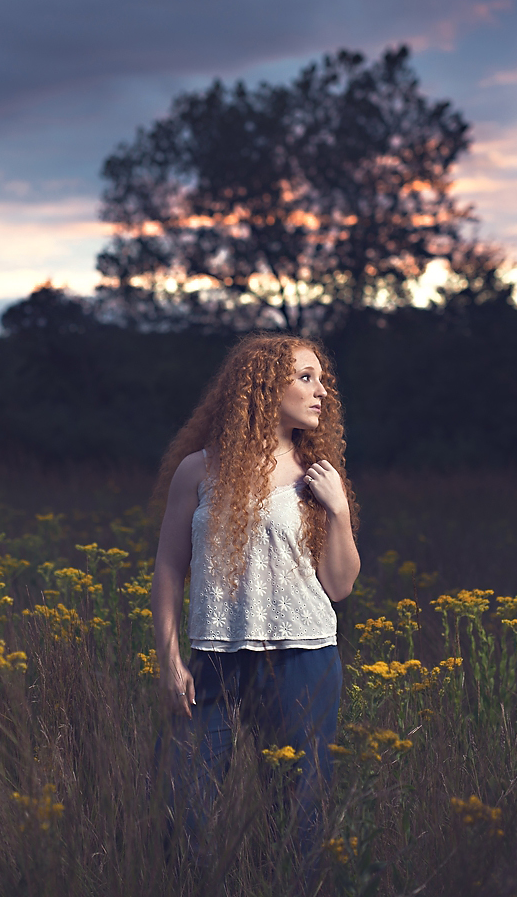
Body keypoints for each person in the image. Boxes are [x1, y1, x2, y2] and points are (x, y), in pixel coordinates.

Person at [151, 333, 361, 878]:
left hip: (303, 661)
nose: (321, 393)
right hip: (214, 663)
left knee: (298, 819)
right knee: (183, 807)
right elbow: (169, 568)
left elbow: (339, 587)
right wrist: (168, 660)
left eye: (323, 380)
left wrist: (337, 510)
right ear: (265, 386)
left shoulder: (318, 474)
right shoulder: (197, 471)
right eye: (306, 378)